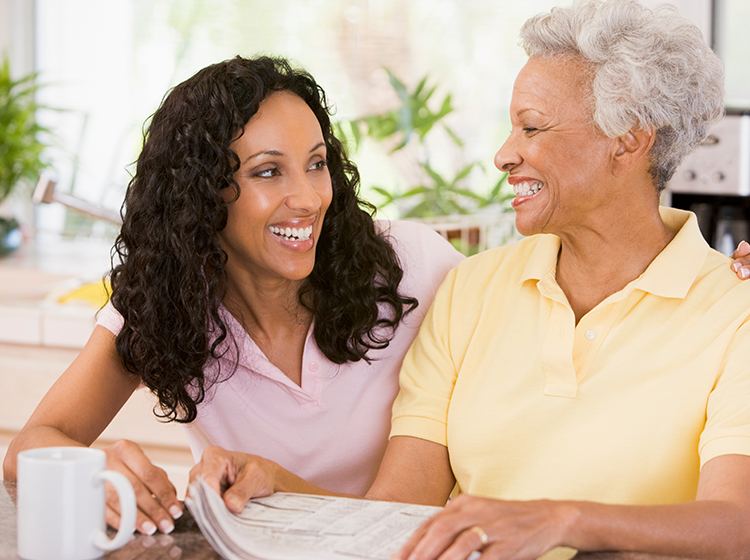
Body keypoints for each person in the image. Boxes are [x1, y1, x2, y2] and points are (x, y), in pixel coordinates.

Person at [191, 2, 750, 559]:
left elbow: (732, 526)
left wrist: (558, 521)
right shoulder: (472, 290)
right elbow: (399, 512)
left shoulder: (748, 311)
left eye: (532, 128)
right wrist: (282, 487)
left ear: (629, 139)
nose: (504, 154)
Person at [2, 55, 464, 535]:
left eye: (316, 163)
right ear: (202, 193)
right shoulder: (168, 301)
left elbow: (404, 520)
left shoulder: (413, 267)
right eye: (268, 172)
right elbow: (27, 450)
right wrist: (89, 472)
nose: (308, 198)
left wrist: (281, 485)